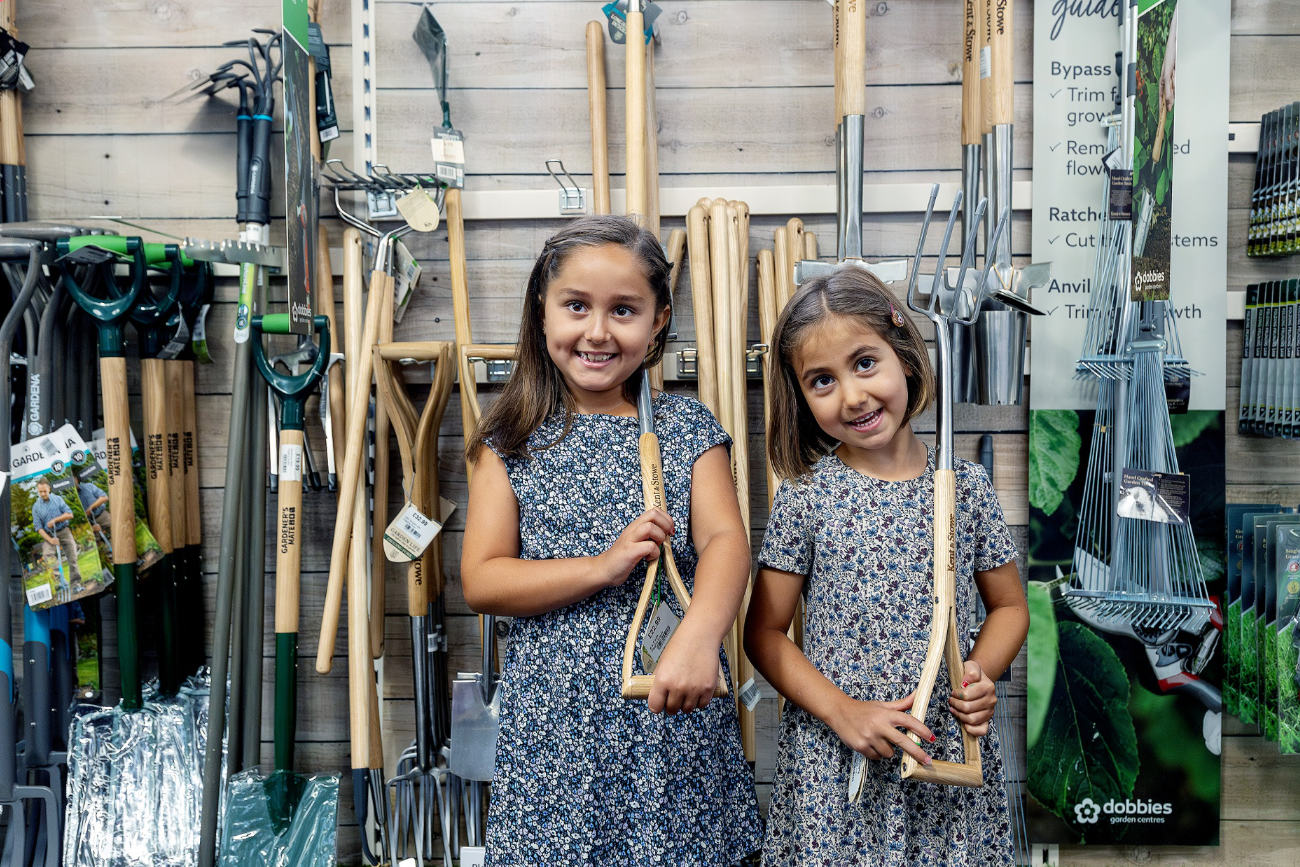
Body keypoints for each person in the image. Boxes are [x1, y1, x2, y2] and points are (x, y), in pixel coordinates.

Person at [461, 215, 761, 866]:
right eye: (576, 306)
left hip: (672, 723)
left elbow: (726, 541)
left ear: (658, 321)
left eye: (623, 309)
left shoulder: (685, 427)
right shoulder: (511, 440)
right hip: (557, 738)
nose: (597, 331)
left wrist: (699, 636)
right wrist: (602, 566)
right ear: (542, 311)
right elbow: (483, 579)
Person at [743, 269, 1028, 865]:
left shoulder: (965, 489)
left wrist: (979, 675)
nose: (852, 395)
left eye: (865, 363)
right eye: (823, 380)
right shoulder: (807, 494)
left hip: (944, 760)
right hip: (837, 760)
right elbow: (764, 635)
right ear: (800, 396)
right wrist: (844, 714)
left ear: (903, 355)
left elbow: (1008, 607)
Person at [32, 477, 83, 585]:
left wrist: (55, 520)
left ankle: (75, 582)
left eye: (44, 491)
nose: (42, 494)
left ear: (49, 489)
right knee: (47, 554)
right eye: (40, 491)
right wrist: (50, 540)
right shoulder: (36, 507)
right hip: (49, 535)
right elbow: (39, 528)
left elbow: (70, 514)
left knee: (72, 557)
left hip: (64, 531)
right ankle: (61, 582)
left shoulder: (58, 499)